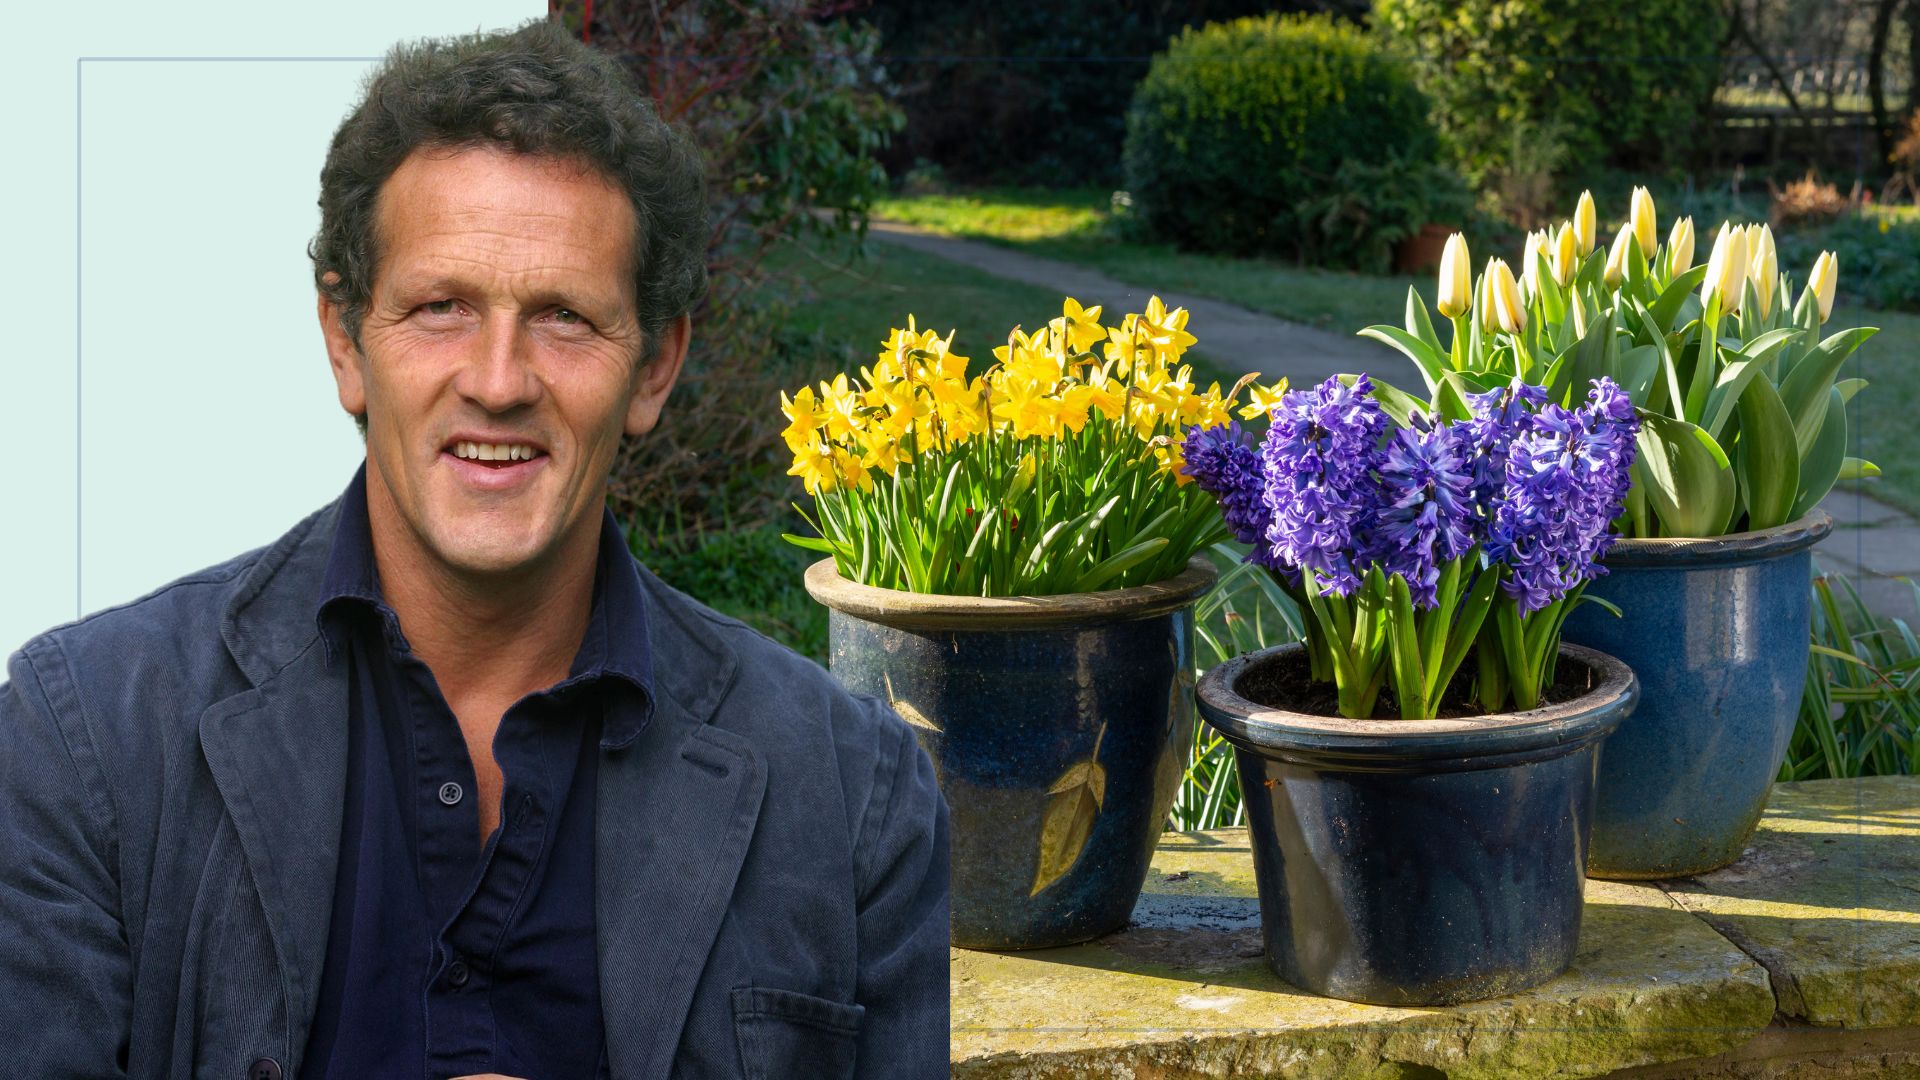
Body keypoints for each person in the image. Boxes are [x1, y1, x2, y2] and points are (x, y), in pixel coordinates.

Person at [0, 20, 948, 1079]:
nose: (499, 379)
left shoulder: (856, 800)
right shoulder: (80, 743)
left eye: (564, 317)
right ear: (344, 341)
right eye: (441, 307)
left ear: (653, 366)